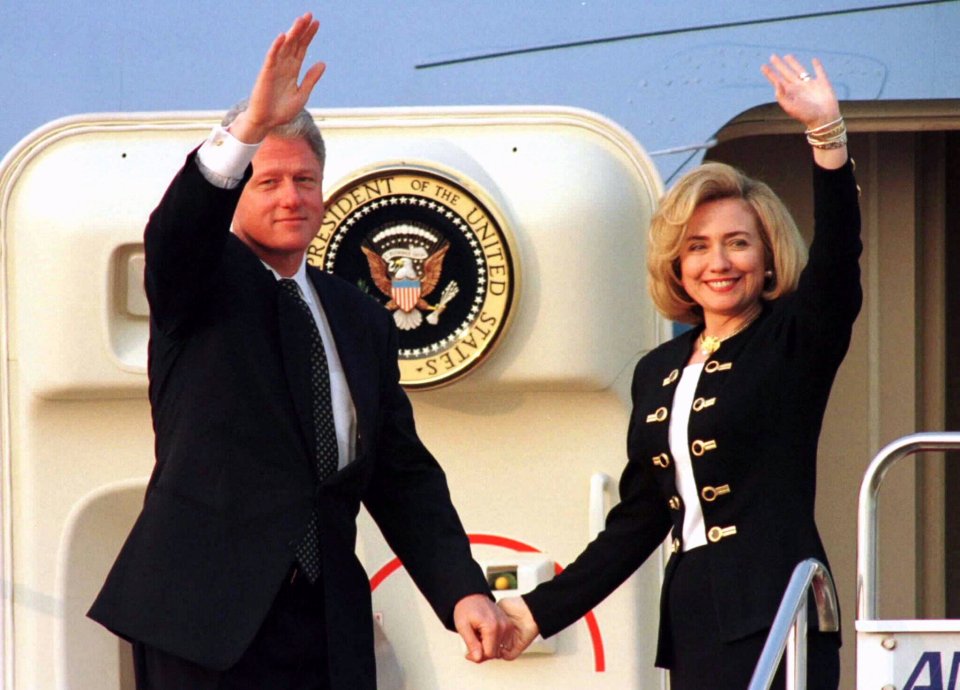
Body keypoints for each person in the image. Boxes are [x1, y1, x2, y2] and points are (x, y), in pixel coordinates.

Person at [88, 14, 508, 689]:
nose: (291, 197)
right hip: (206, 621)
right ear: (237, 192)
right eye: (268, 181)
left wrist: (462, 591)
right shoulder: (200, 281)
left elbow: (402, 475)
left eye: (305, 181)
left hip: (325, 621)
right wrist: (247, 129)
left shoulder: (358, 317)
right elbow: (176, 231)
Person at [498, 55, 860, 690]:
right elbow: (638, 520)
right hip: (693, 624)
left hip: (780, 613)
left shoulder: (794, 339)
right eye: (697, 246)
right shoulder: (657, 370)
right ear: (677, 264)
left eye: (737, 242)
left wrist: (827, 137)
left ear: (769, 255)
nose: (718, 262)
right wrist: (536, 613)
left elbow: (836, 262)